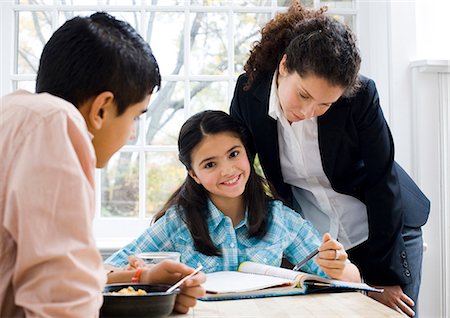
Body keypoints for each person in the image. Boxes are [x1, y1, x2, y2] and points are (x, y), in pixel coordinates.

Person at [229, 1, 430, 317]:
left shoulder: (361, 95)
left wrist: (385, 277)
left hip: (386, 230)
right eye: (304, 95)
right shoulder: (248, 92)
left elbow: (383, 180)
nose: (308, 112)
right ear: (284, 67)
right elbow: (236, 172)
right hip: (320, 241)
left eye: (325, 105)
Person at [0, 12, 204, 317]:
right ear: (102, 108)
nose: (132, 132)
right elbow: (63, 305)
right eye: (135, 116)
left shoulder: (14, 113)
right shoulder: (56, 124)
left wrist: (143, 281)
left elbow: (43, 276)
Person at [105, 110, 361, 284]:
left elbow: (351, 280)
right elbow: (106, 271)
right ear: (193, 174)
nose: (227, 170)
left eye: (233, 154)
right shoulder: (178, 223)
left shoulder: (280, 219)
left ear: (248, 153)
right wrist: (140, 273)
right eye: (209, 165)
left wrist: (338, 266)